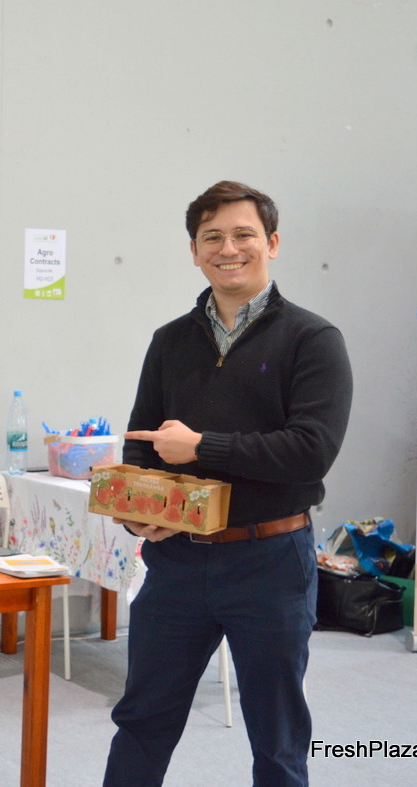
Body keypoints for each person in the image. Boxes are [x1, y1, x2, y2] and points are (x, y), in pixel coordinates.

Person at [102, 180, 353, 787]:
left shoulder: (313, 339)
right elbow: (144, 442)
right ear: (194, 251)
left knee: (277, 734)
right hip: (177, 563)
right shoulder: (170, 341)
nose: (228, 248)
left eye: (244, 234)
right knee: (142, 719)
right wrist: (139, 511)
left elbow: (311, 451)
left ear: (272, 243)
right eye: (212, 237)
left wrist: (202, 446)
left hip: (271, 560)